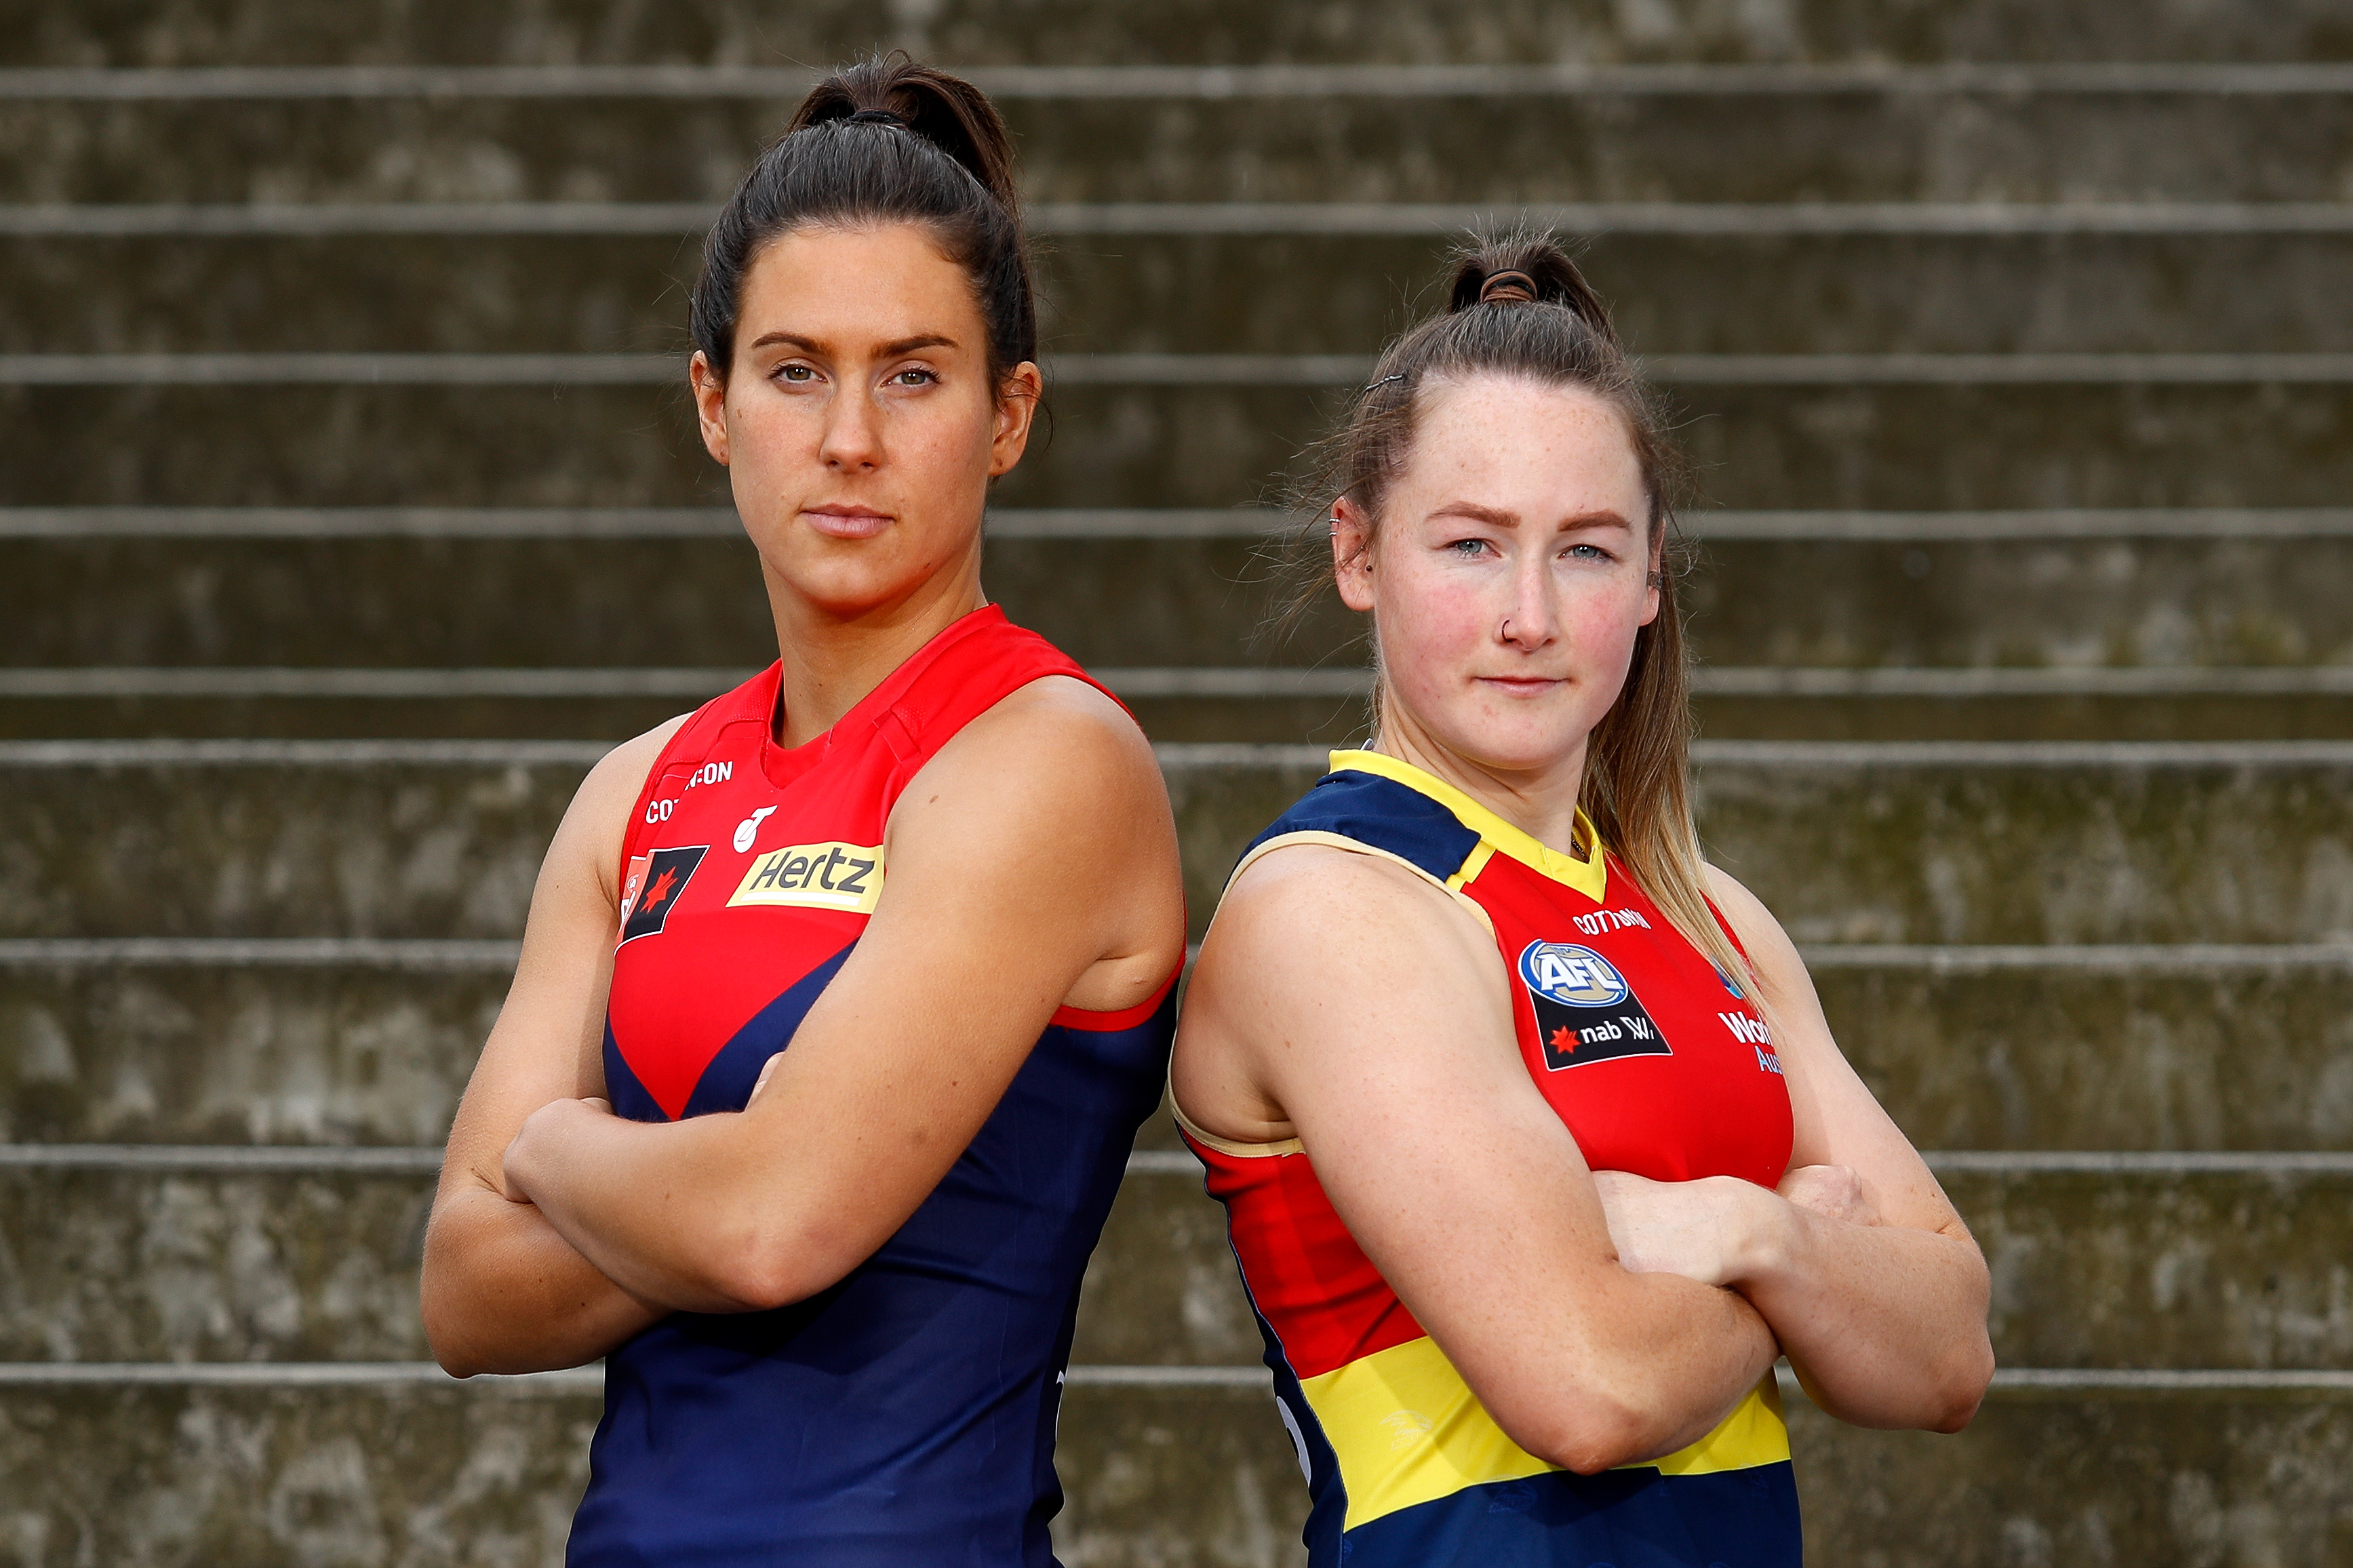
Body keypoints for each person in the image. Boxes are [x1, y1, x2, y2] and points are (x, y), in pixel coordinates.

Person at [418, 55, 1187, 1567]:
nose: (849, 435)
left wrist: (564, 1151)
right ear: (712, 403)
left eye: (913, 372)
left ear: (1009, 411)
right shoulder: (633, 794)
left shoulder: (1049, 757)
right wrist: (730, 1176)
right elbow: (462, 1287)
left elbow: (775, 1228)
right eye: (792, 369)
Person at [1169, 235, 1994, 1566]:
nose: (1530, 614)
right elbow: (1586, 1384)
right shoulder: (1330, 903)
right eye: (1471, 544)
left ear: (1654, 575)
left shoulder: (1710, 913)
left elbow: (1949, 1346)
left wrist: (1743, 1227)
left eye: (1589, 550)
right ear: (1357, 552)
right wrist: (1818, 1265)